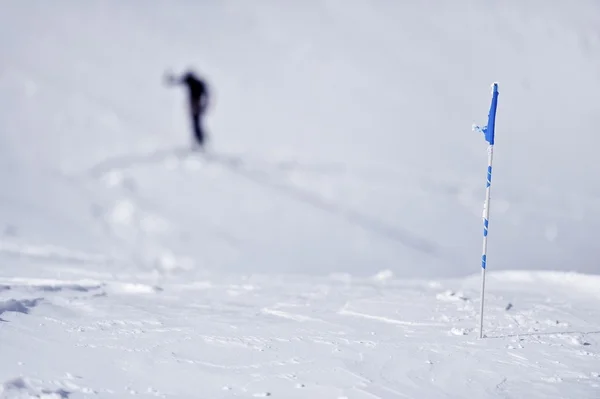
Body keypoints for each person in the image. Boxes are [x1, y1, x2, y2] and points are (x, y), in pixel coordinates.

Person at [165, 69, 210, 149]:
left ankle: (201, 141)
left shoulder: (197, 83)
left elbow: (206, 94)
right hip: (194, 104)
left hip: (196, 104)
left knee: (196, 123)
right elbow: (178, 81)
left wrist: (204, 105)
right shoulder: (194, 82)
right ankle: (200, 141)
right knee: (195, 123)